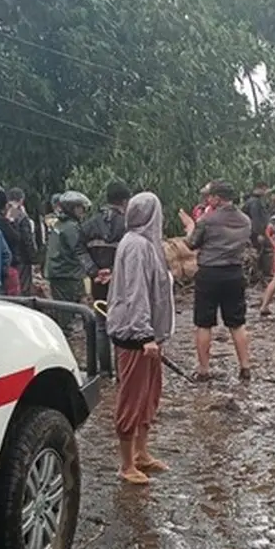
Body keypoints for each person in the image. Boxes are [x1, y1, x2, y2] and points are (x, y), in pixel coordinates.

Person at [105, 192, 175, 486]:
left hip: (150, 336)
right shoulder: (136, 246)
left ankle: (142, 453)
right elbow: (136, 294)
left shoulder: (148, 245)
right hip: (136, 336)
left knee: (149, 397)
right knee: (132, 398)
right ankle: (126, 463)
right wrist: (145, 334)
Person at [179, 180, 252, 381]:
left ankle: (203, 369)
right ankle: (245, 366)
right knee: (237, 323)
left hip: (210, 274)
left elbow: (191, 244)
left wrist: (189, 226)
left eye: (209, 196)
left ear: (217, 198)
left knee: (204, 323)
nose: (206, 199)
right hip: (235, 273)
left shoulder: (207, 220)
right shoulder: (245, 220)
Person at [83, 181, 131, 376]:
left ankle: (104, 371)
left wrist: (94, 271)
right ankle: (122, 373)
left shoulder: (89, 224)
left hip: (97, 283)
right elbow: (129, 254)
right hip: (122, 282)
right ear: (125, 201)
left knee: (101, 326)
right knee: (122, 326)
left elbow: (79, 250)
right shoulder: (128, 224)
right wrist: (113, 271)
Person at [45, 191, 95, 332]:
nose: (83, 211)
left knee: (66, 306)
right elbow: (79, 250)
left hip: (59, 271)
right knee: (66, 310)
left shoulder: (60, 224)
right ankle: (65, 335)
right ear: (72, 208)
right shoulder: (71, 227)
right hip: (66, 272)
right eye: (80, 207)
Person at [4, 187, 40, 295]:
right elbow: (27, 240)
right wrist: (34, 259)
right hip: (22, 260)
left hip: (6, 259)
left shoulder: (3, 212)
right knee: (23, 288)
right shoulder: (21, 216)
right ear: (21, 200)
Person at [243, 183, 272, 282]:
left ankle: (258, 274)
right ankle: (258, 274)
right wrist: (259, 233)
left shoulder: (257, 201)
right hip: (255, 233)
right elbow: (256, 219)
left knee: (260, 252)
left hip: (256, 231)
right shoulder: (254, 202)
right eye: (264, 189)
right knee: (258, 252)